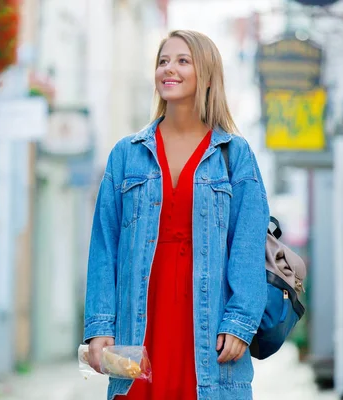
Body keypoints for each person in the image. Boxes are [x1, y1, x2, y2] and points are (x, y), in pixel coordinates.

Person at [83, 30, 269, 400]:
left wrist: (239, 321)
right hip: (140, 324)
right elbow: (105, 245)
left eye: (183, 61)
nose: (170, 69)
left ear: (207, 74)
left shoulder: (235, 155)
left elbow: (247, 246)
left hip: (208, 321)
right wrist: (100, 324)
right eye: (163, 61)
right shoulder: (126, 155)